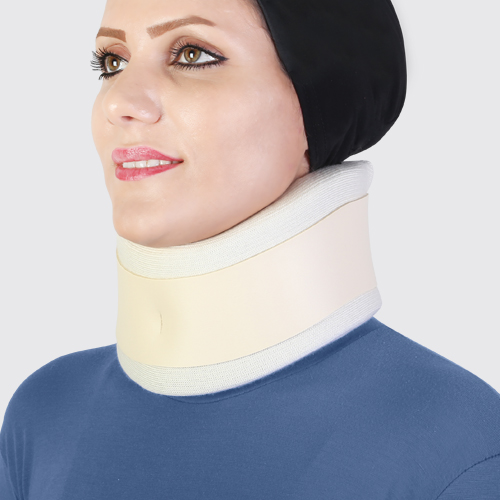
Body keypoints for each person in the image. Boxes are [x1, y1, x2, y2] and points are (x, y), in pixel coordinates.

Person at [1, 0, 499, 497]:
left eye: (192, 55)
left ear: (318, 98)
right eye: (113, 62)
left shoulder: (456, 448)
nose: (119, 102)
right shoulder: (44, 417)